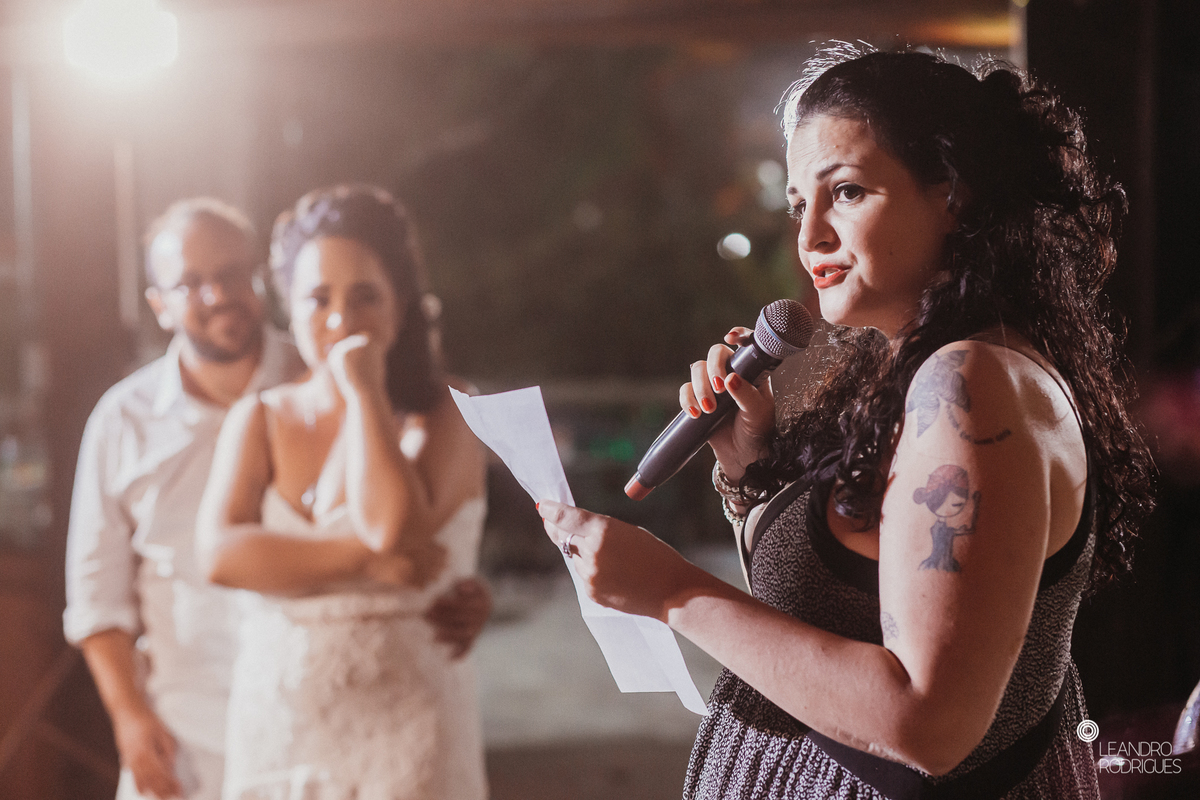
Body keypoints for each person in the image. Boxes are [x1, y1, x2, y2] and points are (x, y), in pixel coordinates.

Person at [538, 46, 1156, 799]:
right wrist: (749, 464)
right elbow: (823, 615)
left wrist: (672, 591)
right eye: (800, 204)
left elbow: (927, 724)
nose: (811, 238)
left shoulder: (971, 384)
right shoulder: (912, 370)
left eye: (849, 192)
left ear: (952, 195)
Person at [64, 198, 491, 800]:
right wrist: (129, 718)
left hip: (364, 713)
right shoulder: (123, 420)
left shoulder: (328, 361)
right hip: (189, 718)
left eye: (231, 273)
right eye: (190, 282)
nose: (217, 294)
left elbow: (426, 523)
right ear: (159, 304)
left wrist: (461, 588)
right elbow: (97, 599)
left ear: (262, 282)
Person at [197, 185, 489, 800]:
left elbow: (394, 529)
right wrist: (367, 562)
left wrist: (364, 393)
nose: (340, 320)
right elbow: (219, 555)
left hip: (411, 737)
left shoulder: (448, 411)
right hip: (278, 730)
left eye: (365, 297)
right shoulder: (261, 418)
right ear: (288, 306)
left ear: (400, 303)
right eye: (318, 298)